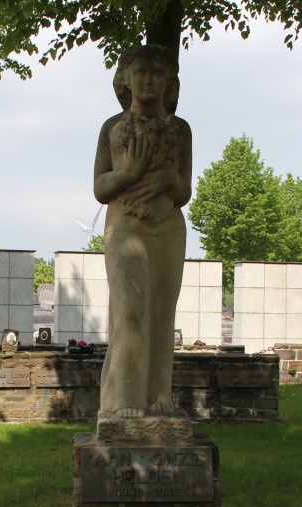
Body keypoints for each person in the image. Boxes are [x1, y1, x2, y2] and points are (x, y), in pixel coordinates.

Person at [94, 45, 192, 419]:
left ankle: (158, 394)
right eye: (141, 73)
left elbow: (184, 190)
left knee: (162, 312)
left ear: (169, 83)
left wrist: (169, 178)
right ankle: (125, 398)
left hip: (167, 230)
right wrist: (128, 175)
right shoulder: (113, 128)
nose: (148, 80)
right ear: (126, 80)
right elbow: (100, 187)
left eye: (157, 74)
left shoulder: (180, 130)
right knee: (131, 311)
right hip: (126, 226)